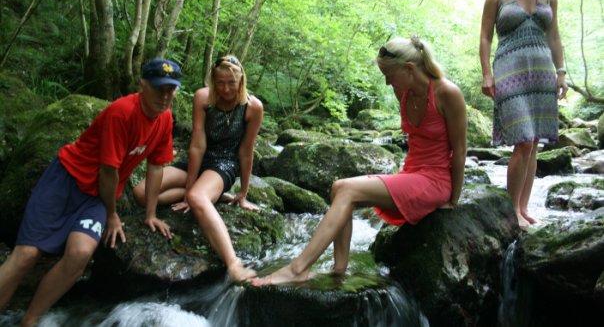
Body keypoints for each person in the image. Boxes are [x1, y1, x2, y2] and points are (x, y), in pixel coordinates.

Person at [253, 36, 467, 286]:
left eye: (389, 75)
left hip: (436, 180)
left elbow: (460, 150)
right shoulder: (404, 92)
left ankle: (297, 268)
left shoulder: (448, 93)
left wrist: (453, 200)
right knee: (338, 187)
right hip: (412, 173)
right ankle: (338, 270)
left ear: (409, 69)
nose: (387, 82)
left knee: (348, 190)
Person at [0, 58, 181, 326]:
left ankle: (30, 319)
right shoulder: (122, 112)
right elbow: (108, 171)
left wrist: (151, 214)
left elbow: (156, 167)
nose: (164, 96)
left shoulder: (165, 119)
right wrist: (112, 215)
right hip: (66, 181)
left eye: (170, 89)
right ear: (142, 85)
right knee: (26, 255)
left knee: (80, 253)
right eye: (158, 88)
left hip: (97, 197)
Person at [133, 55, 264, 282]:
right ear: (213, 80)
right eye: (220, 82)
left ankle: (233, 263)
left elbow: (245, 151)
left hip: (224, 163)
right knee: (141, 193)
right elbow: (197, 145)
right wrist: (190, 187)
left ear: (241, 80)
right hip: (198, 160)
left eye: (231, 83)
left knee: (196, 197)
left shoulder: (253, 107)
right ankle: (210, 195)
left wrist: (243, 193)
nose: (225, 89)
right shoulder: (203, 97)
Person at [479, 0, 568, 229]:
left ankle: (524, 207)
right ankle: (511, 210)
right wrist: (486, 74)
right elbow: (485, 37)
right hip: (509, 69)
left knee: (535, 142)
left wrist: (561, 72)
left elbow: (554, 36)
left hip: (542, 71)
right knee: (524, 140)